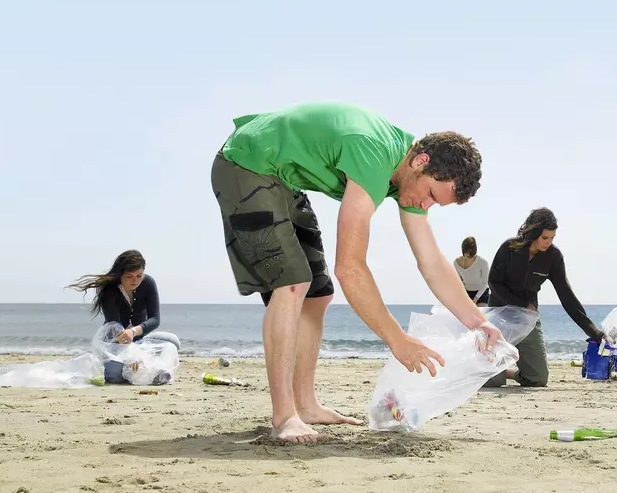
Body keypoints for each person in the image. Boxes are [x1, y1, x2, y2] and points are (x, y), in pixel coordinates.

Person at [211, 102, 501, 443]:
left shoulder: (407, 177)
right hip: (246, 162)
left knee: (318, 295)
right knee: (292, 283)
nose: (426, 206)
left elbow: (432, 261)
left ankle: (305, 404)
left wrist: (477, 321)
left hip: (283, 178)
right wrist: (397, 339)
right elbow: (349, 267)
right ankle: (284, 416)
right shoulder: (373, 153)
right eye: (431, 196)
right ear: (421, 162)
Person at [485, 208, 604, 387]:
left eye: (552, 238)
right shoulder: (509, 248)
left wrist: (594, 332)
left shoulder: (553, 257)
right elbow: (493, 283)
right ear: (534, 233)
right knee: (494, 381)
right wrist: (522, 303)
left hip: (527, 319)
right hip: (499, 315)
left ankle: (509, 371)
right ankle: (493, 370)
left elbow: (567, 297)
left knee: (538, 379)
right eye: (545, 237)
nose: (548, 242)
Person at [66, 250, 182, 384]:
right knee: (114, 374)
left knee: (173, 342)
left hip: (142, 340)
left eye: (139, 275)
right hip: (115, 343)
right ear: (120, 274)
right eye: (129, 276)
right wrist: (132, 354)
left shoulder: (148, 283)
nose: (135, 280)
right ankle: (146, 371)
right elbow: (114, 326)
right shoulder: (109, 289)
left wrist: (134, 332)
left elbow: (155, 319)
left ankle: (152, 370)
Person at [454, 237, 491, 305]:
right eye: (466, 255)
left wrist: (475, 299)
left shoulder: (483, 263)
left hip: (481, 293)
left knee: (480, 312)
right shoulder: (456, 263)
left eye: (471, 256)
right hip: (466, 293)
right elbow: (459, 282)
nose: (468, 257)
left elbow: (485, 283)